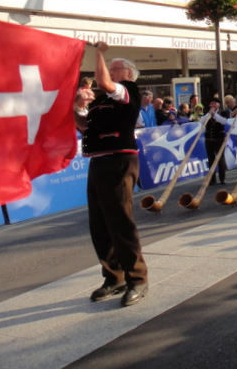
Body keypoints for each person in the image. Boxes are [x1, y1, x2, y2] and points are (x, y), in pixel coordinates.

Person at [73, 43, 148, 307]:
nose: (110, 71)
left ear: (128, 73)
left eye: (116, 68)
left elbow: (105, 83)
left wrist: (99, 53)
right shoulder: (101, 102)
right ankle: (113, 276)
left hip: (119, 159)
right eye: (111, 67)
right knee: (100, 223)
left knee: (120, 221)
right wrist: (73, 108)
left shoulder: (128, 90)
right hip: (98, 161)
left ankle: (137, 279)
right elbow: (85, 127)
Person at [204, 96, 230, 185]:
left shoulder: (223, 113)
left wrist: (214, 114)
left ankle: (222, 178)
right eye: (211, 104)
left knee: (220, 158)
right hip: (209, 140)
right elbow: (201, 122)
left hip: (219, 139)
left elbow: (224, 121)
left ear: (218, 105)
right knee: (211, 159)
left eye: (215, 104)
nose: (213, 105)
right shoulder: (206, 113)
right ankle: (212, 179)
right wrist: (209, 114)